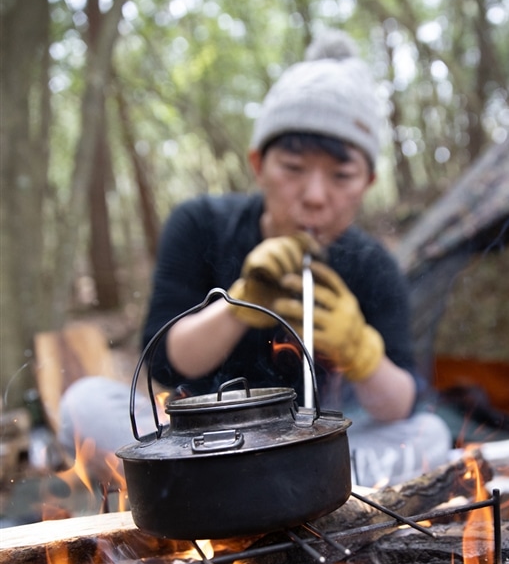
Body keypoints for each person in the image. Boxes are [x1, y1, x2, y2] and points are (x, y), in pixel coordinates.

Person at [60, 31, 451, 487]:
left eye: (341, 175)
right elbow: (164, 365)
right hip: (198, 441)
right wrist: (241, 303)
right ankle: (302, 491)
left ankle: (225, 495)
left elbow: (400, 404)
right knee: (84, 404)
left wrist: (360, 349)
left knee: (430, 433)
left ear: (368, 182)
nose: (315, 197)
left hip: (309, 441)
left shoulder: (371, 265)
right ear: (258, 164)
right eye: (293, 169)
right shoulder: (201, 224)